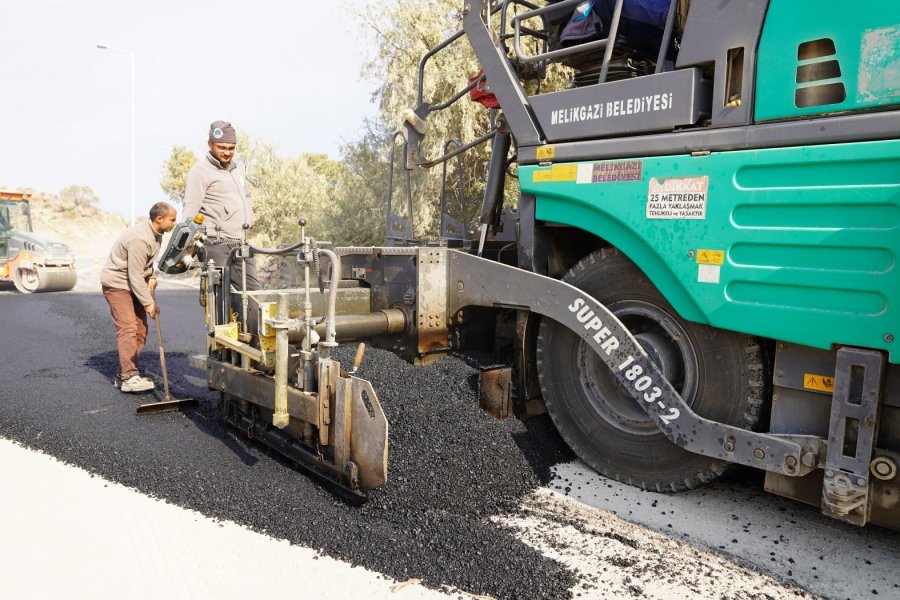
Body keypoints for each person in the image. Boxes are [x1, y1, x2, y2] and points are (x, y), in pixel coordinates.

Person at [101, 202, 177, 393]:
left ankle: (123, 374)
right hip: (118, 284)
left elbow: (145, 264)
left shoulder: (156, 235)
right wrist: (149, 303)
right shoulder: (140, 238)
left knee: (141, 330)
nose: (175, 223)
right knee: (128, 327)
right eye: (172, 220)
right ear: (159, 219)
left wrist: (151, 276)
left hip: (132, 283)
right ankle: (129, 377)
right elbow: (134, 274)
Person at [182, 120, 260, 290]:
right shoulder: (200, 171)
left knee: (254, 296)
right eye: (221, 147)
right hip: (215, 244)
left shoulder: (236, 170)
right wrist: (185, 245)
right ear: (210, 144)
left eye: (231, 148)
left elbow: (247, 195)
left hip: (241, 243)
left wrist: (250, 218)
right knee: (220, 299)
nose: (227, 152)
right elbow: (191, 207)